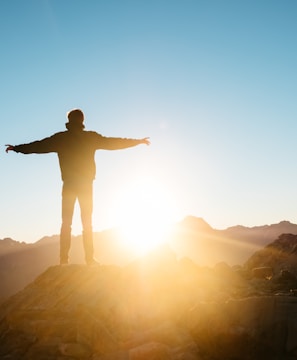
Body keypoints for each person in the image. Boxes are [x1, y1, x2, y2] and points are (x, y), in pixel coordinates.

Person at [6, 109, 150, 265]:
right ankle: (89, 259)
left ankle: (63, 260)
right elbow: (114, 143)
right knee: (87, 222)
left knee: (66, 223)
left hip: (69, 184)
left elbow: (38, 146)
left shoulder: (61, 138)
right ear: (82, 120)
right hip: (86, 185)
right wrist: (138, 141)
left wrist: (17, 148)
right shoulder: (90, 137)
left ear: (69, 120)